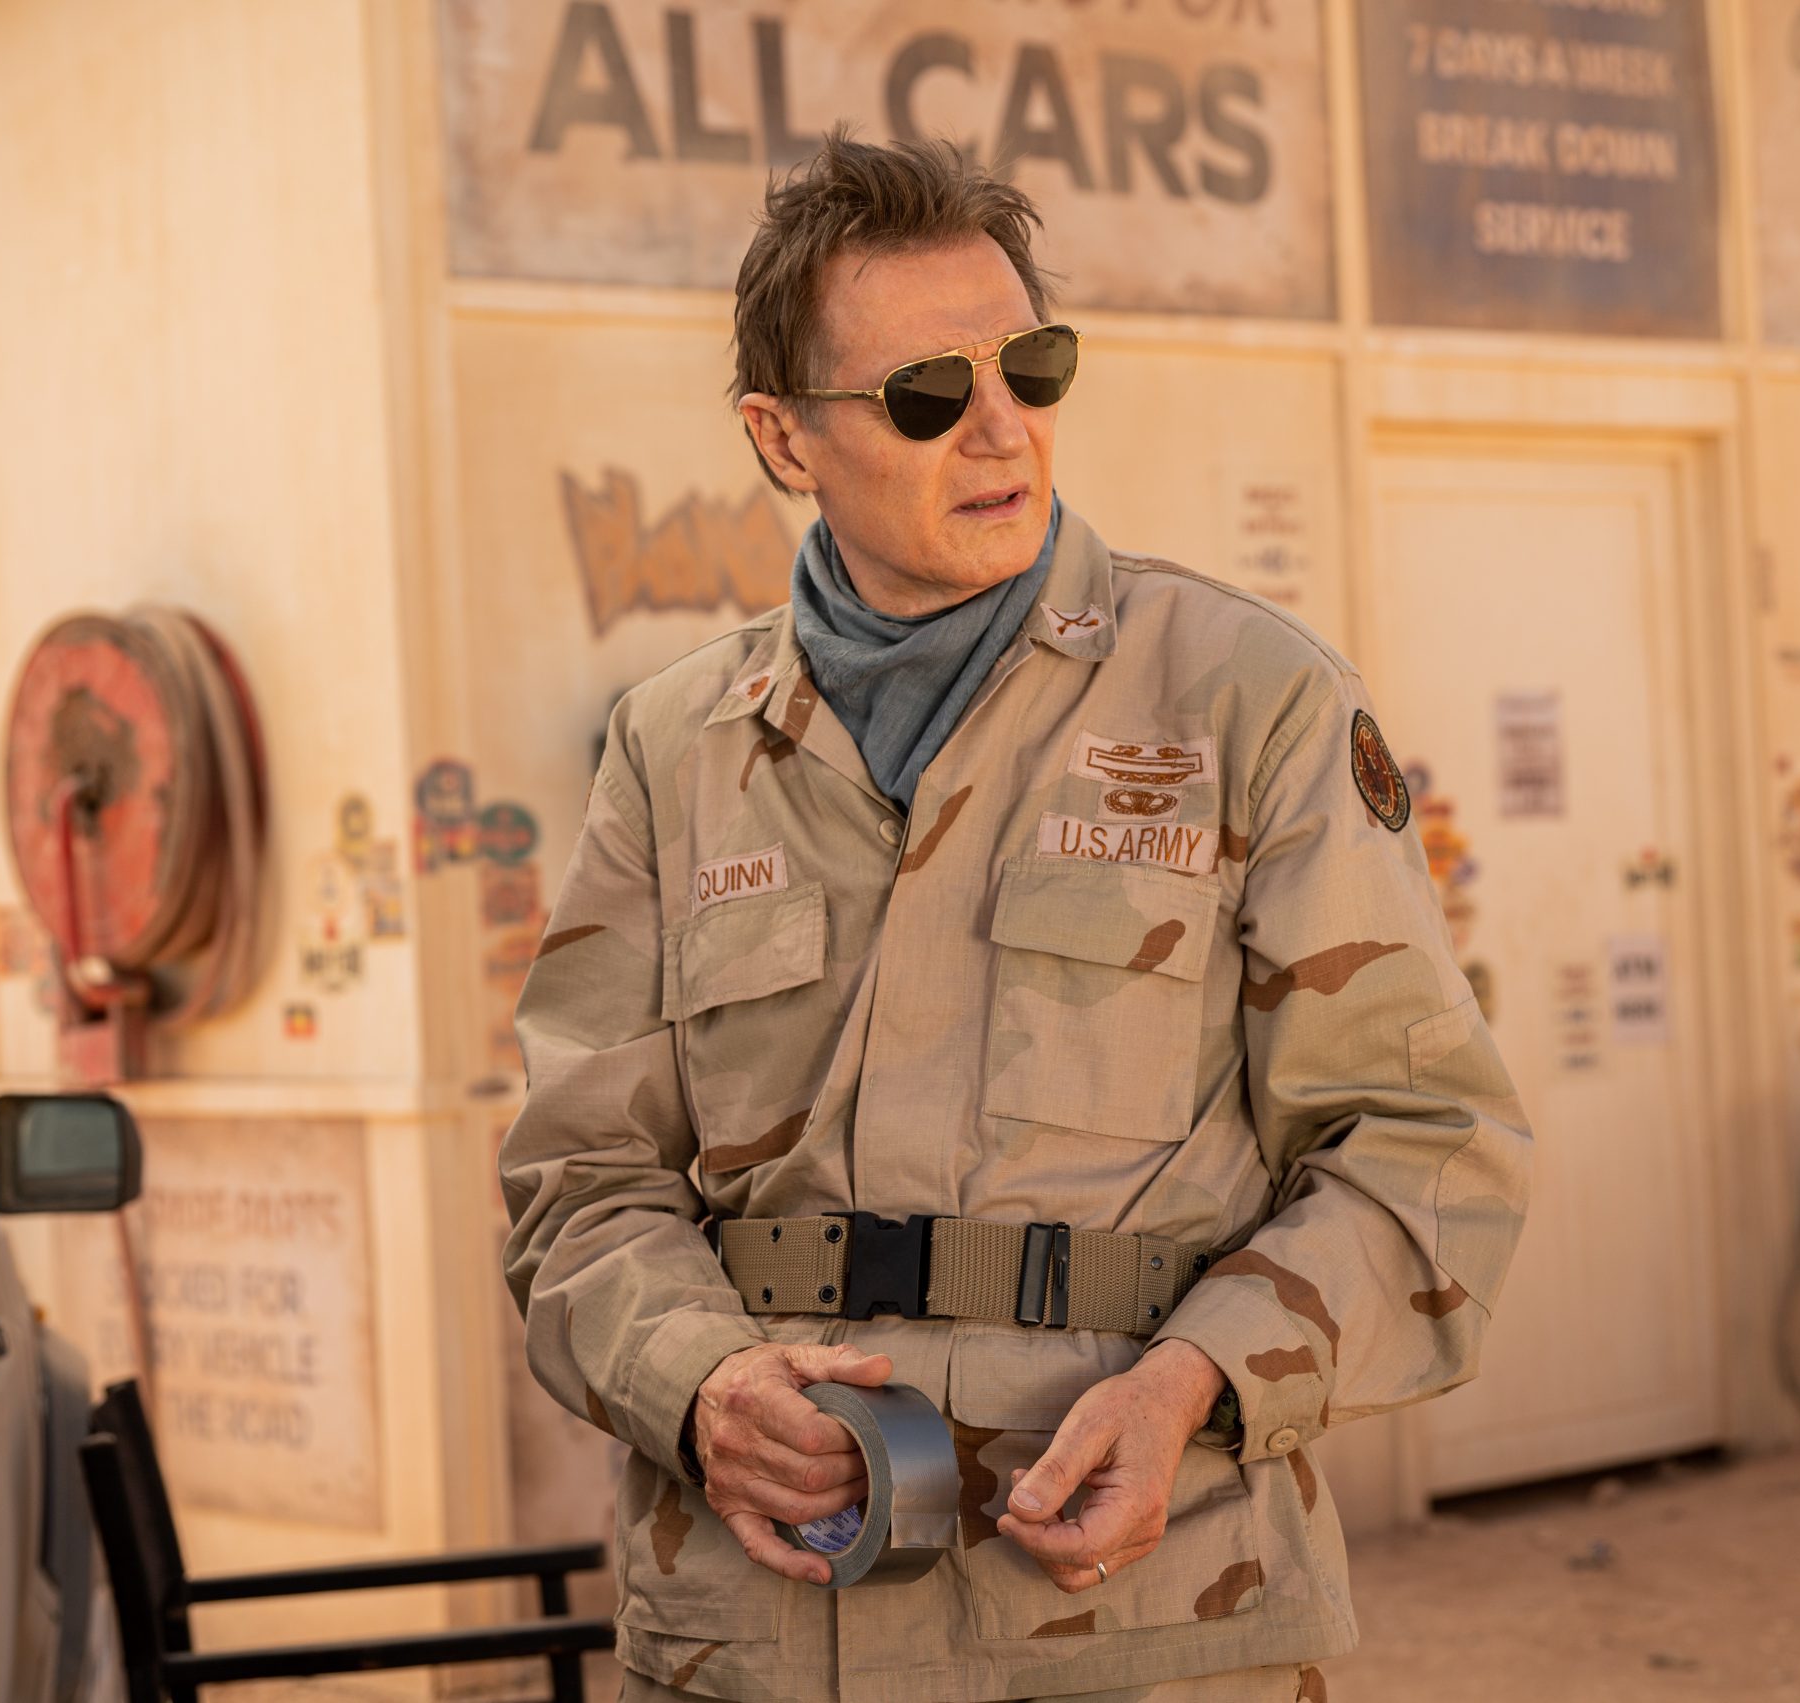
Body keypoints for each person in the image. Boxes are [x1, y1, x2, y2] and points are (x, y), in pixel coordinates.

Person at [500, 129, 1532, 1703]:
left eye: (1032, 370)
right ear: (783, 438)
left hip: (1144, 1623)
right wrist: (696, 1382)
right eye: (927, 394)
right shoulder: (675, 748)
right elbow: (579, 1181)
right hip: (759, 1632)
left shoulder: (1243, 699)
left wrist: (1200, 1379)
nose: (1001, 429)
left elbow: (1428, 1142)